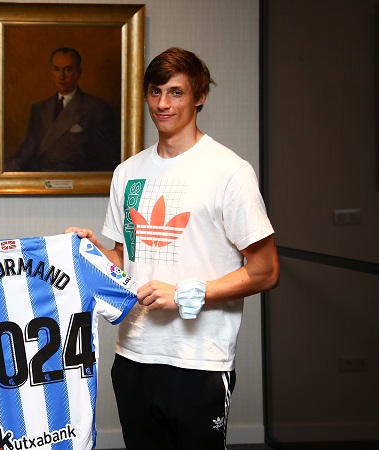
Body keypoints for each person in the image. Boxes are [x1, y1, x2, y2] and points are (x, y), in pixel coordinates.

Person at [67, 47, 280, 449]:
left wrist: (185, 293)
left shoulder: (229, 172)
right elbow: (124, 258)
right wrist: (92, 251)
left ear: (200, 96)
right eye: (155, 91)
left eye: (176, 92)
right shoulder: (128, 172)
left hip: (199, 359)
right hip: (133, 355)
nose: (163, 104)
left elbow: (265, 270)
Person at [4, 47, 120, 172]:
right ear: (51, 73)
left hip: (77, 178)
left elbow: (107, 159)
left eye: (68, 70)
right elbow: (27, 151)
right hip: (42, 178)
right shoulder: (40, 109)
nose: (61, 76)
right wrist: (1, 172)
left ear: (78, 72)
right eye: (57, 69)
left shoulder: (96, 108)